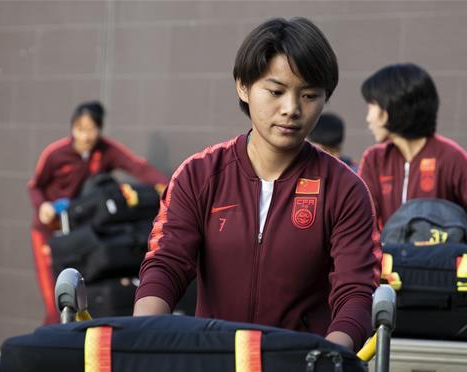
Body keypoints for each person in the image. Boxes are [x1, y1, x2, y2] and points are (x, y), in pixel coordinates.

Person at [134, 18, 381, 352]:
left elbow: (355, 293)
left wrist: (328, 361)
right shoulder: (199, 174)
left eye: (309, 95)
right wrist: (143, 335)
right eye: (276, 92)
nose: (292, 109)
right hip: (213, 368)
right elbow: (166, 263)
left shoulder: (345, 189)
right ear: (243, 87)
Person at [28, 101, 168, 325]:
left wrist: (169, 187)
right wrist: (42, 205)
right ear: (72, 128)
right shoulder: (55, 154)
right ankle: (50, 351)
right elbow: (35, 186)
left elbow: (138, 167)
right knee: (56, 302)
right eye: (80, 129)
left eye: (91, 129)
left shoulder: (106, 151)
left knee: (83, 301)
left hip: (79, 235)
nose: (85, 136)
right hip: (49, 232)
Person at [357, 63, 467, 250]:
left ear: (390, 108)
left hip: (437, 275)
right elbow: (359, 223)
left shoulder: (451, 157)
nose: (368, 118)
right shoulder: (374, 159)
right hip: (387, 274)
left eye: (371, 107)